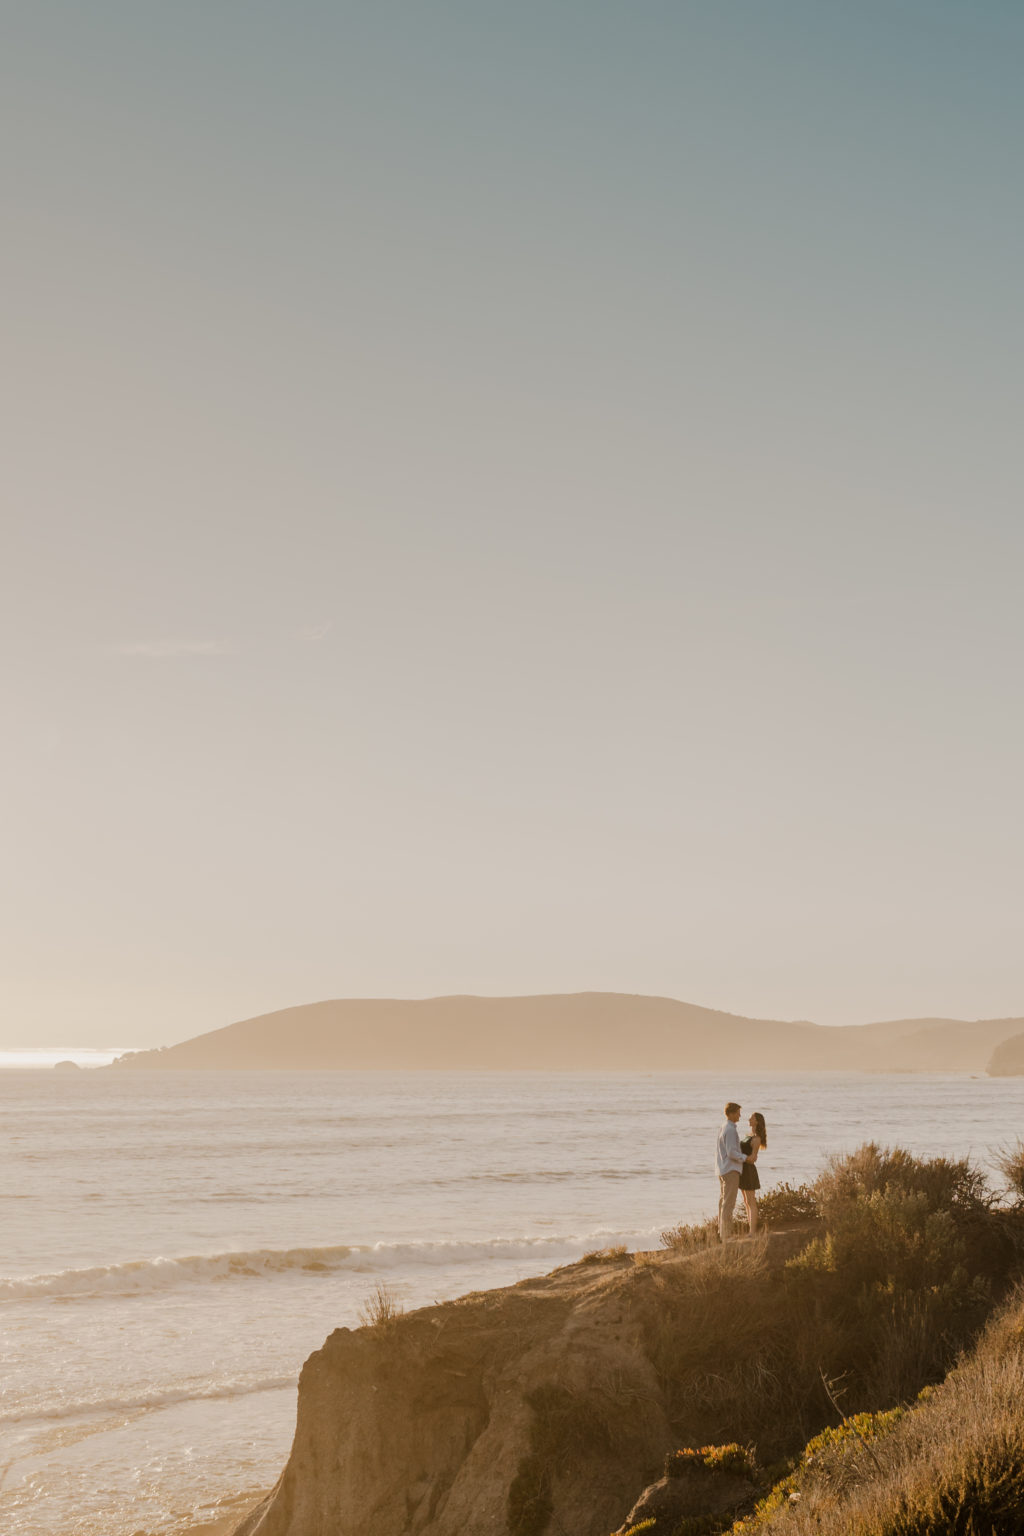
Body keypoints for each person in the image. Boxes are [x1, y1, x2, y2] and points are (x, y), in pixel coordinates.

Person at [716, 1101, 748, 1241]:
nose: (740, 1115)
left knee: (723, 1202)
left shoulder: (724, 1127)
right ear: (731, 1113)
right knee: (729, 1203)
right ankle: (726, 1235)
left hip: (723, 1169)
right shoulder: (730, 1130)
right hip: (730, 1170)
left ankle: (721, 1232)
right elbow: (731, 1152)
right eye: (738, 1113)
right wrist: (745, 1158)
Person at [739, 1111, 767, 1235]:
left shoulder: (756, 1139)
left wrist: (740, 1157)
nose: (749, 1119)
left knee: (751, 1201)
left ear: (756, 1121)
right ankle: (750, 1228)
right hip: (742, 1170)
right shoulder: (749, 1135)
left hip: (748, 1171)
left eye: (752, 1117)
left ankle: (752, 1231)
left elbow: (753, 1158)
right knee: (746, 1201)